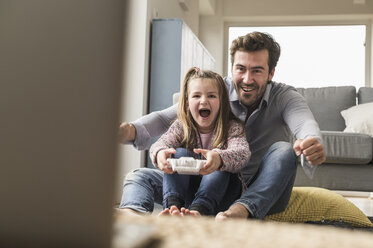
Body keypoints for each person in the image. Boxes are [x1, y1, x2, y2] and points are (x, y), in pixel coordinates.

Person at [118, 31, 326, 220]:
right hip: (203, 185)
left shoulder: (284, 96)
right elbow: (167, 118)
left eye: (257, 71)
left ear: (271, 73)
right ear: (232, 68)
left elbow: (305, 123)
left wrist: (311, 141)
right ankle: (133, 214)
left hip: (256, 189)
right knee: (139, 176)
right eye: (241, 69)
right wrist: (131, 131)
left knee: (284, 150)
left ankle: (242, 210)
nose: (247, 79)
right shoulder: (216, 89)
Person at [150, 67, 250, 217]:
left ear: (222, 102)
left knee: (219, 165)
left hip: (223, 195)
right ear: (187, 103)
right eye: (196, 96)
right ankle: (173, 209)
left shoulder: (232, 127)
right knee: (177, 154)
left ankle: (199, 211)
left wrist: (218, 158)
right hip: (189, 195)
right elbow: (160, 144)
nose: (204, 101)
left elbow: (243, 154)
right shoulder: (181, 126)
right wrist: (159, 154)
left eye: (211, 96)